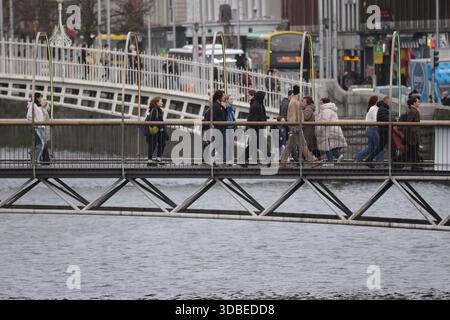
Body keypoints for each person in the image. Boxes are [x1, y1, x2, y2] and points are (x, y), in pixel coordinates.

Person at [280, 86, 321, 168]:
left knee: (290, 145)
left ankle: (283, 161)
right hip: (296, 127)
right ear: (298, 93)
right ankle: (311, 161)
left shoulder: (294, 101)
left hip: (295, 126)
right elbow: (293, 116)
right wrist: (295, 126)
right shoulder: (295, 102)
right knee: (303, 144)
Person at [364, 96, 396, 166]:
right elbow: (385, 119)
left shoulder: (382, 108)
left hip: (383, 130)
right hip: (385, 131)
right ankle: (394, 163)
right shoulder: (382, 109)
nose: (391, 103)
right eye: (390, 101)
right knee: (392, 146)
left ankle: (369, 160)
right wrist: (394, 119)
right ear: (386, 101)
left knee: (380, 147)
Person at [315, 98, 347, 165]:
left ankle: (331, 161)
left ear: (324, 103)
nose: (320, 104)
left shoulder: (326, 110)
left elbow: (324, 121)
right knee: (330, 146)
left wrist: (319, 129)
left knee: (327, 146)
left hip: (328, 130)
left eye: (320, 102)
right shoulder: (330, 109)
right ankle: (337, 156)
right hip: (332, 130)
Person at [355, 96, 384, 163]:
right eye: (378, 100)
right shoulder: (374, 109)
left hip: (370, 129)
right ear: (376, 101)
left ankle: (358, 157)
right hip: (373, 129)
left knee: (371, 147)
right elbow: (375, 120)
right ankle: (380, 162)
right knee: (380, 146)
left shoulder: (372, 108)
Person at [203, 90, 227, 163]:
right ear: (218, 97)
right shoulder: (215, 106)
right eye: (223, 96)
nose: (224, 97)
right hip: (217, 129)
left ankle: (210, 159)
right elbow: (209, 117)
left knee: (216, 145)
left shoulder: (219, 106)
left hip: (219, 129)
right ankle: (208, 159)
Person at [144, 96, 166, 166]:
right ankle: (150, 160)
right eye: (161, 101)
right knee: (153, 145)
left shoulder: (157, 109)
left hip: (158, 130)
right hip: (155, 130)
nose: (162, 102)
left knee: (162, 143)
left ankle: (158, 159)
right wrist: (160, 127)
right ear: (157, 102)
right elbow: (154, 120)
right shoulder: (154, 109)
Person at [26, 92, 46, 164]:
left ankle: (32, 153)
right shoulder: (33, 105)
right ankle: (35, 161)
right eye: (41, 97)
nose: (41, 99)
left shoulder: (38, 106)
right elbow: (28, 116)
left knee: (39, 143)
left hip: (41, 127)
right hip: (36, 127)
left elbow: (44, 114)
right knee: (41, 143)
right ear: (37, 98)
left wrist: (44, 106)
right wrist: (36, 122)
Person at [403, 97, 422, 170]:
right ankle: (414, 166)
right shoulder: (413, 111)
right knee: (413, 150)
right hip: (413, 134)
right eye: (418, 102)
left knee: (413, 150)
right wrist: (406, 133)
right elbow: (409, 122)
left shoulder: (413, 110)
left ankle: (415, 166)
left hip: (414, 133)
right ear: (414, 103)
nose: (419, 103)